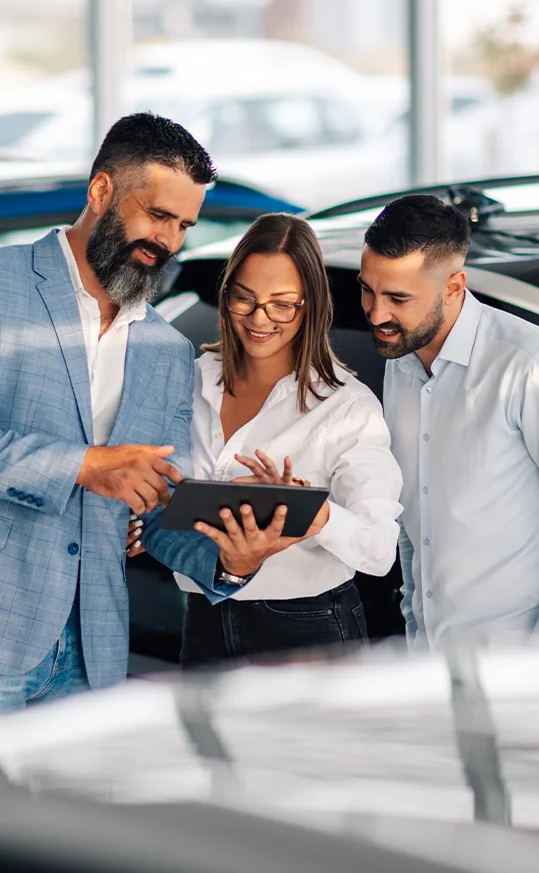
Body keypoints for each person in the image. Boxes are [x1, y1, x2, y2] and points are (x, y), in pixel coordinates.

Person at [0, 111, 291, 711]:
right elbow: (98, 469)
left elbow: (156, 508)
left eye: (185, 224)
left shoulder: (167, 350)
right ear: (101, 190)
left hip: (96, 657)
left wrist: (231, 560)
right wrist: (82, 466)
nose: (170, 241)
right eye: (158, 215)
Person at [129, 213, 402, 665]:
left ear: (309, 305)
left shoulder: (348, 408)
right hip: (202, 619)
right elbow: (154, 490)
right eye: (245, 299)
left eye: (281, 304)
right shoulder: (188, 381)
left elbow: (378, 550)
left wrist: (312, 514)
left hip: (308, 630)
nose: (260, 319)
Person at [359, 193, 539, 649]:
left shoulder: (524, 365)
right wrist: (415, 627)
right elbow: (412, 523)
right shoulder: (399, 361)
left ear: (454, 287)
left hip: (514, 672)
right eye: (368, 289)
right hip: (429, 665)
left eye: (398, 298)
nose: (377, 315)